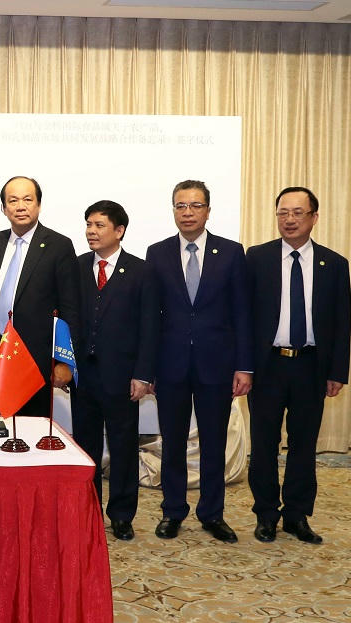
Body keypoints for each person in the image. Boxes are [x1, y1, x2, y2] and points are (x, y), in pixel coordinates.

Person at [145, 180, 252, 543]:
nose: (187, 212)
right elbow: (151, 317)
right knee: (172, 443)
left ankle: (212, 513)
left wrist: (244, 366)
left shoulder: (231, 252)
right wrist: (148, 368)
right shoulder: (157, 253)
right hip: (170, 365)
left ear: (207, 210)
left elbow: (242, 313)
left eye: (194, 205)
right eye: (180, 206)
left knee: (213, 443)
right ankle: (173, 511)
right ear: (173, 210)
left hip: (217, 365)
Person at [246, 187, 351, 544]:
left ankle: (296, 515)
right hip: (267, 366)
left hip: (310, 366)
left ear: (314, 217)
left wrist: (337, 371)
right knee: (263, 443)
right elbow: (243, 316)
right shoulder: (256, 258)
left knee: (304, 444)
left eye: (297, 213)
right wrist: (243, 367)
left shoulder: (334, 264)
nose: (289, 220)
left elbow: (342, 322)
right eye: (283, 213)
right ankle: (265, 514)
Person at [72, 200, 158, 541]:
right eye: (88, 224)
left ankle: (122, 515)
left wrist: (143, 374)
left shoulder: (141, 270)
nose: (91, 231)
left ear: (119, 230)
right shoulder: (77, 266)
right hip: (84, 376)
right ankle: (88, 510)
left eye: (99, 225)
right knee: (86, 447)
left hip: (123, 376)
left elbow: (150, 327)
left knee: (123, 447)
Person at [0, 176, 81, 416]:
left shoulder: (58, 245)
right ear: (4, 208)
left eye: (27, 199)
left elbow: (71, 308)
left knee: (30, 429)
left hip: (34, 361)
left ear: (39, 205)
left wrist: (65, 362)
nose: (20, 206)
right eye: (13, 201)